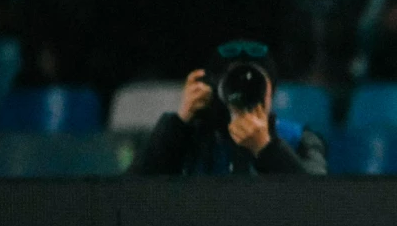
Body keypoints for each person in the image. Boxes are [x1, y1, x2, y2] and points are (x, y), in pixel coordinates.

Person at [128, 40, 326, 176]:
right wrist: (180, 123)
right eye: (234, 82)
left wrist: (267, 150)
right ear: (215, 90)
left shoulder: (299, 138)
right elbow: (130, 191)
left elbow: (318, 201)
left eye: (255, 83)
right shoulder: (189, 138)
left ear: (271, 92)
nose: (244, 90)